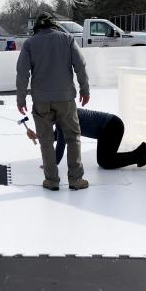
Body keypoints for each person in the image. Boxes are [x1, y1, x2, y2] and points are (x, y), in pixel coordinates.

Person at [16, 12, 90, 191]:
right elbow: (80, 65)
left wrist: (21, 99)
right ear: (54, 25)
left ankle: (51, 181)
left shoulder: (30, 44)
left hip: (41, 100)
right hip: (65, 99)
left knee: (46, 140)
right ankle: (75, 180)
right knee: (73, 138)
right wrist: (84, 90)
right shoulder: (67, 39)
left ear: (37, 28)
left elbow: (22, 73)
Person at [26, 108, 146, 170]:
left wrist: (50, 165)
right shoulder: (64, 114)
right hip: (109, 127)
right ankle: (142, 152)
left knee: (106, 162)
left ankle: (144, 154)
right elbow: (56, 136)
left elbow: (60, 147)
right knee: (106, 160)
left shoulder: (63, 120)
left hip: (112, 127)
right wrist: (38, 136)